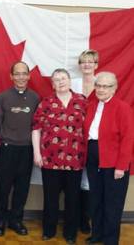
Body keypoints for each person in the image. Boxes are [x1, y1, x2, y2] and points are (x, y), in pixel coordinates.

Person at [32, 68, 87, 245]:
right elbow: (36, 129)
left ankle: (70, 233)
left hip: (75, 159)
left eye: (63, 78)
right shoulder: (46, 102)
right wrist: (36, 153)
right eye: (56, 79)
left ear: (70, 81)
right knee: (51, 198)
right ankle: (49, 230)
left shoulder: (82, 101)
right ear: (53, 84)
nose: (60, 81)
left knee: (72, 199)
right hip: (50, 159)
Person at [84, 72, 134, 245]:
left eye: (106, 86)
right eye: (98, 85)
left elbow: (128, 139)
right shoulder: (90, 106)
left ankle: (110, 240)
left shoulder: (122, 108)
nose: (101, 89)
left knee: (112, 204)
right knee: (95, 200)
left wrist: (122, 166)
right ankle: (96, 234)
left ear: (114, 88)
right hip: (93, 162)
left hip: (114, 164)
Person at [0, 61, 39, 236]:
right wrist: (7, 137)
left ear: (29, 76)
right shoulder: (3, 97)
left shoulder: (35, 97)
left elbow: (37, 125)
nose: (21, 77)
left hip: (27, 149)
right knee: (4, 187)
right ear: (11, 76)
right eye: (17, 74)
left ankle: (16, 220)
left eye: (24, 73)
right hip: (8, 148)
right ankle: (0, 221)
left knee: (22, 187)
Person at [71, 49, 99, 234]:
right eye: (83, 61)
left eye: (90, 61)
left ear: (96, 65)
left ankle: (86, 219)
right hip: (73, 137)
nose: (87, 64)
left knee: (89, 180)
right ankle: (74, 218)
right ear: (79, 65)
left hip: (94, 137)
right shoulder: (73, 83)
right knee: (75, 179)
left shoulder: (102, 82)